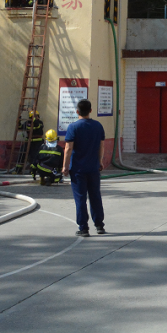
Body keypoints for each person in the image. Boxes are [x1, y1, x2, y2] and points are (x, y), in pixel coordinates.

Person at [62, 99, 106, 237]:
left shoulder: (73, 127)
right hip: (93, 168)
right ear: (90, 111)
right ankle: (99, 225)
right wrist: (100, 161)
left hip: (78, 169)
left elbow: (68, 148)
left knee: (80, 198)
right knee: (95, 196)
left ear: (77, 111)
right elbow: (101, 146)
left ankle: (83, 228)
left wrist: (65, 166)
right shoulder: (98, 126)